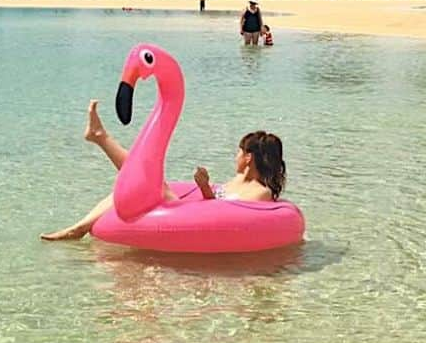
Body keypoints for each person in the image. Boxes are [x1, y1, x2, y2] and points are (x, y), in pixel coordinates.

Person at [41, 103, 286, 240]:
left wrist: (203, 188)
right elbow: (213, 205)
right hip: (188, 212)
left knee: (148, 179)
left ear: (248, 157)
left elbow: (228, 216)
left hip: (194, 222)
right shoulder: (236, 181)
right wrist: (204, 188)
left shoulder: (260, 193)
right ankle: (80, 227)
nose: (235, 156)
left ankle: (101, 138)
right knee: (129, 187)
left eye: (239, 152)